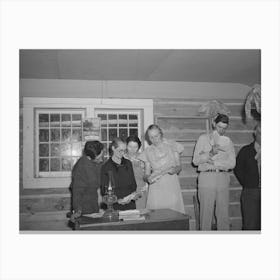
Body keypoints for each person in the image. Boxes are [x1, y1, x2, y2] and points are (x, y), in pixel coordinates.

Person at [192, 113, 236, 230]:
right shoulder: (203, 138)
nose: (222, 130)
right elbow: (195, 161)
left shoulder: (228, 141)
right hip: (206, 177)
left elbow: (232, 163)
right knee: (206, 214)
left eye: (224, 128)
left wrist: (214, 163)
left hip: (223, 177)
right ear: (213, 124)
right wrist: (211, 153)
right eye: (219, 127)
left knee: (223, 215)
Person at [138, 124, 185, 214]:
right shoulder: (147, 151)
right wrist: (147, 178)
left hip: (171, 184)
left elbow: (179, 167)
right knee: (157, 215)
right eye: (151, 137)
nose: (154, 139)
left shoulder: (173, 145)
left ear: (161, 134)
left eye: (156, 136)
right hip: (156, 186)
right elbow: (146, 174)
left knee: (173, 214)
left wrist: (174, 170)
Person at [234, 123, 261, 230]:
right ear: (255, 134)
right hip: (250, 192)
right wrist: (247, 183)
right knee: (250, 225)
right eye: (262, 134)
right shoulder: (246, 150)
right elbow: (238, 169)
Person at [70, 141, 104, 221]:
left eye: (102, 155)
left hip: (95, 204)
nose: (102, 159)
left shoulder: (96, 162)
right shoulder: (81, 168)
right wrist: (78, 210)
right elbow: (77, 192)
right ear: (89, 157)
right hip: (85, 207)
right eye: (99, 158)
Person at [100, 137, 138, 211]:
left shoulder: (128, 163)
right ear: (113, 148)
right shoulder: (106, 167)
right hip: (114, 206)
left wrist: (134, 195)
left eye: (124, 151)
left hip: (130, 205)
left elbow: (133, 185)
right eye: (120, 150)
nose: (123, 153)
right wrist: (117, 200)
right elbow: (104, 191)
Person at [124, 135, 148, 209]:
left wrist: (147, 185)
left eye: (135, 147)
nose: (132, 149)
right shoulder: (122, 158)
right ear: (126, 146)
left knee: (140, 214)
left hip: (141, 190)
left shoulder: (143, 158)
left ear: (139, 147)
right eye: (130, 146)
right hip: (125, 191)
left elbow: (148, 174)